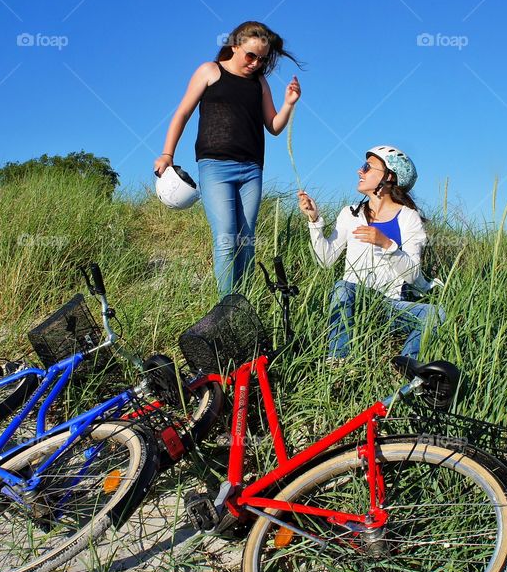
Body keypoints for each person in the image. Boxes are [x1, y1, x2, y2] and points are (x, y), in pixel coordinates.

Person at [155, 21, 302, 295]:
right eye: (251, 55)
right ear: (235, 46)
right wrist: (167, 154)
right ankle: (226, 309)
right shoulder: (210, 71)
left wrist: (289, 104)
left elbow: (273, 126)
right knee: (225, 238)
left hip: (251, 169)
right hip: (215, 166)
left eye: (262, 58)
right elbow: (182, 113)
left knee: (246, 241)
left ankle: (244, 304)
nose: (256, 63)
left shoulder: (259, 83)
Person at [297, 146, 444, 361]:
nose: (360, 171)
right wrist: (314, 221)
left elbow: (413, 274)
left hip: (390, 304)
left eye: (367, 167)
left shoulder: (408, 218)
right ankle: (338, 361)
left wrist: (387, 244)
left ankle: (406, 365)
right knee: (342, 287)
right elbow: (325, 260)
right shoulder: (350, 213)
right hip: (354, 298)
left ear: (389, 177)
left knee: (437, 314)